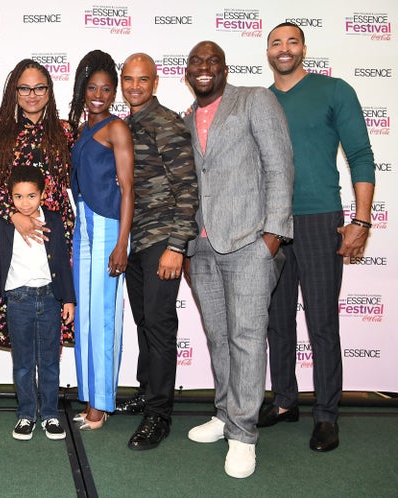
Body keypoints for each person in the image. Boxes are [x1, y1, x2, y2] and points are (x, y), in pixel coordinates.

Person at [259, 22, 376, 453]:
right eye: (276, 42)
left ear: (303, 48)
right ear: (267, 52)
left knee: (323, 322)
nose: (284, 49)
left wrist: (361, 222)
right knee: (277, 320)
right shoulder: (260, 99)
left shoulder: (334, 91)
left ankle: (326, 415)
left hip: (320, 219)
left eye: (292, 41)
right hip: (269, 224)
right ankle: (285, 401)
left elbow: (361, 155)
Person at [183, 41, 293, 478]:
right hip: (203, 245)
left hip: (249, 241)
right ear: (187, 72)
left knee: (247, 337)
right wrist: (188, 245)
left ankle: (244, 434)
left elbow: (280, 166)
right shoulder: (187, 117)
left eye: (212, 61)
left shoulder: (255, 100)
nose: (204, 68)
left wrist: (272, 235)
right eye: (196, 62)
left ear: (225, 69)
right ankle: (225, 414)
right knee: (218, 336)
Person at [116, 53, 199, 450]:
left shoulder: (166, 123)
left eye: (142, 80)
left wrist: (176, 247)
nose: (135, 86)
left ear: (155, 82)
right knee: (146, 322)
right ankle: (148, 393)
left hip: (162, 241)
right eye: (128, 80)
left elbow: (188, 189)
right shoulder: (128, 124)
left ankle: (159, 415)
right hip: (136, 242)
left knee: (161, 327)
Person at [0, 59, 75, 349]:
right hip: (15, 233)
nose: (32, 94)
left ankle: (49, 392)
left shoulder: (66, 132)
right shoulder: (2, 132)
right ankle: (27, 393)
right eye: (24, 88)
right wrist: (15, 216)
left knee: (57, 313)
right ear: (14, 91)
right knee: (21, 330)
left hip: (57, 233)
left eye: (39, 87)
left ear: (49, 91)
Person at [67, 50, 134, 431]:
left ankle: (102, 404)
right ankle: (93, 398)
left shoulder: (116, 128)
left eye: (106, 89)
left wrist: (121, 243)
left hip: (108, 227)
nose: (98, 94)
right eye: (92, 87)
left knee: (104, 318)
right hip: (84, 227)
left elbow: (128, 189)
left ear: (114, 94)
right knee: (88, 319)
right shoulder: (82, 130)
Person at [0, 165, 76, 441]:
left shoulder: (56, 221)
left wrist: (68, 299)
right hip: (17, 300)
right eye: (18, 197)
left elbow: (62, 260)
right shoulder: (3, 223)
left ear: (43, 194)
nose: (25, 203)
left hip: (49, 298)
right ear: (10, 198)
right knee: (23, 363)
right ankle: (26, 414)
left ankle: (50, 414)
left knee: (49, 362)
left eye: (31, 196)